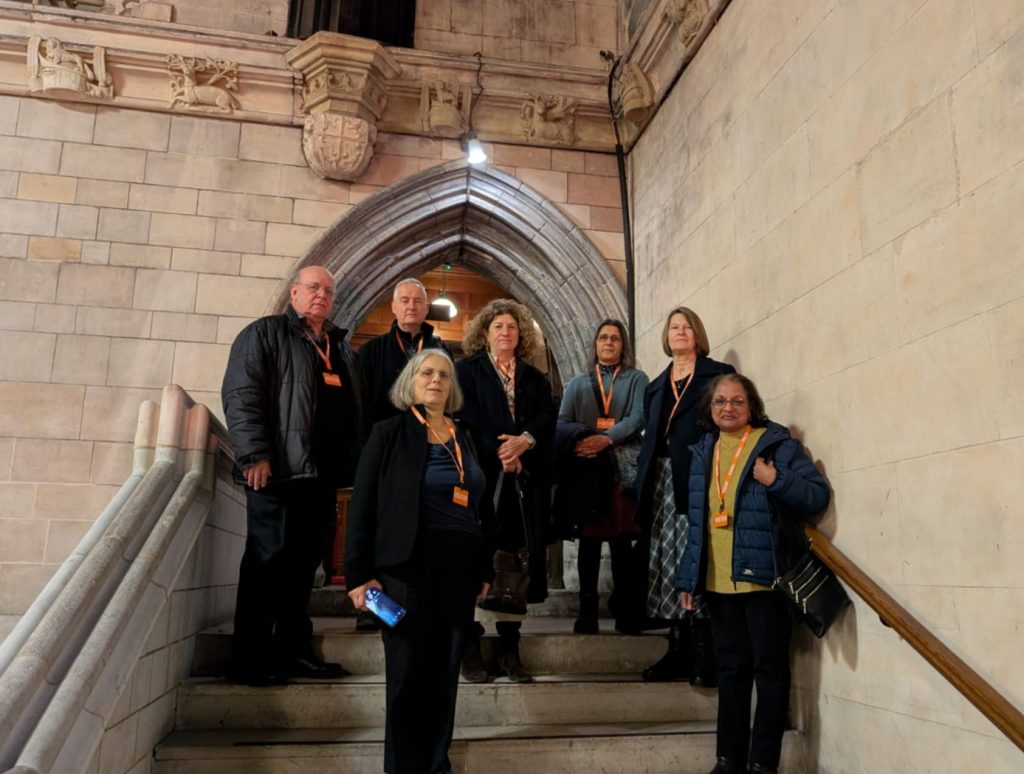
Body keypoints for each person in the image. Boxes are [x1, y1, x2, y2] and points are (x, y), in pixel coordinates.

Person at [345, 349, 492, 774]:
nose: (436, 380)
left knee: (445, 673)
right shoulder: (388, 433)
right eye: (426, 373)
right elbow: (363, 506)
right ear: (410, 381)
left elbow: (481, 508)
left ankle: (436, 764)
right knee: (408, 674)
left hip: (459, 570)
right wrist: (359, 575)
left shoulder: (466, 436)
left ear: (453, 386)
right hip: (404, 569)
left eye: (444, 375)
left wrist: (483, 567)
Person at [676, 374, 829, 774]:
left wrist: (775, 479)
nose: (728, 408)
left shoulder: (775, 445)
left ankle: (763, 763)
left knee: (770, 670)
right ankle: (728, 760)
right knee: (730, 671)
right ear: (710, 409)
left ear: (752, 406)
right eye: (720, 402)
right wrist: (688, 579)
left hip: (764, 580)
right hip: (718, 581)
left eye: (737, 401)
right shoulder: (703, 450)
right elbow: (698, 523)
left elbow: (816, 495)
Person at [221, 265, 367, 685]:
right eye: (313, 288)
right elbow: (242, 394)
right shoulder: (265, 334)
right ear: (295, 293)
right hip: (278, 474)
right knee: (267, 562)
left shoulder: (339, 347)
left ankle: (292, 650)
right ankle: (250, 658)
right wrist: (254, 455)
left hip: (320, 478)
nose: (321, 295)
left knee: (305, 569)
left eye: (328, 291)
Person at [455, 299, 556, 683]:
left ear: (521, 335)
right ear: (485, 332)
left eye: (512, 327)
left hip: (522, 481)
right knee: (473, 557)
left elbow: (547, 417)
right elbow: (466, 416)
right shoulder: (467, 371)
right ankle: (468, 645)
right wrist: (502, 451)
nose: (505, 333)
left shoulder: (534, 377)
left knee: (517, 559)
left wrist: (524, 443)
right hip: (481, 478)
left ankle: (509, 647)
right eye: (498, 326)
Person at [633, 306, 735, 684]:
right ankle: (677, 647)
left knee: (697, 555)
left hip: (699, 478)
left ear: (698, 334)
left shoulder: (718, 375)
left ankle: (705, 653)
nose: (680, 332)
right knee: (666, 560)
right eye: (674, 327)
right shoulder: (655, 385)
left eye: (687, 327)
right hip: (661, 480)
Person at [554, 319, 648, 634]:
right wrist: (582, 441)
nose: (609, 342)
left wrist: (606, 439)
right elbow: (562, 420)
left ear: (624, 346)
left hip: (622, 467)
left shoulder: (637, 378)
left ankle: (624, 610)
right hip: (588, 470)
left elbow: (638, 417)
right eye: (603, 338)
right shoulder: (578, 383)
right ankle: (587, 612)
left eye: (615, 339)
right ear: (595, 345)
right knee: (589, 542)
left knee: (622, 541)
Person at [359, 278, 449, 425]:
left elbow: (449, 394)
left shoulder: (441, 350)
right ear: (393, 307)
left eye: (418, 301)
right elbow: (362, 404)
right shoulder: (371, 350)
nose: (411, 306)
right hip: (386, 434)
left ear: (426, 309)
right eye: (405, 300)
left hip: (430, 432)